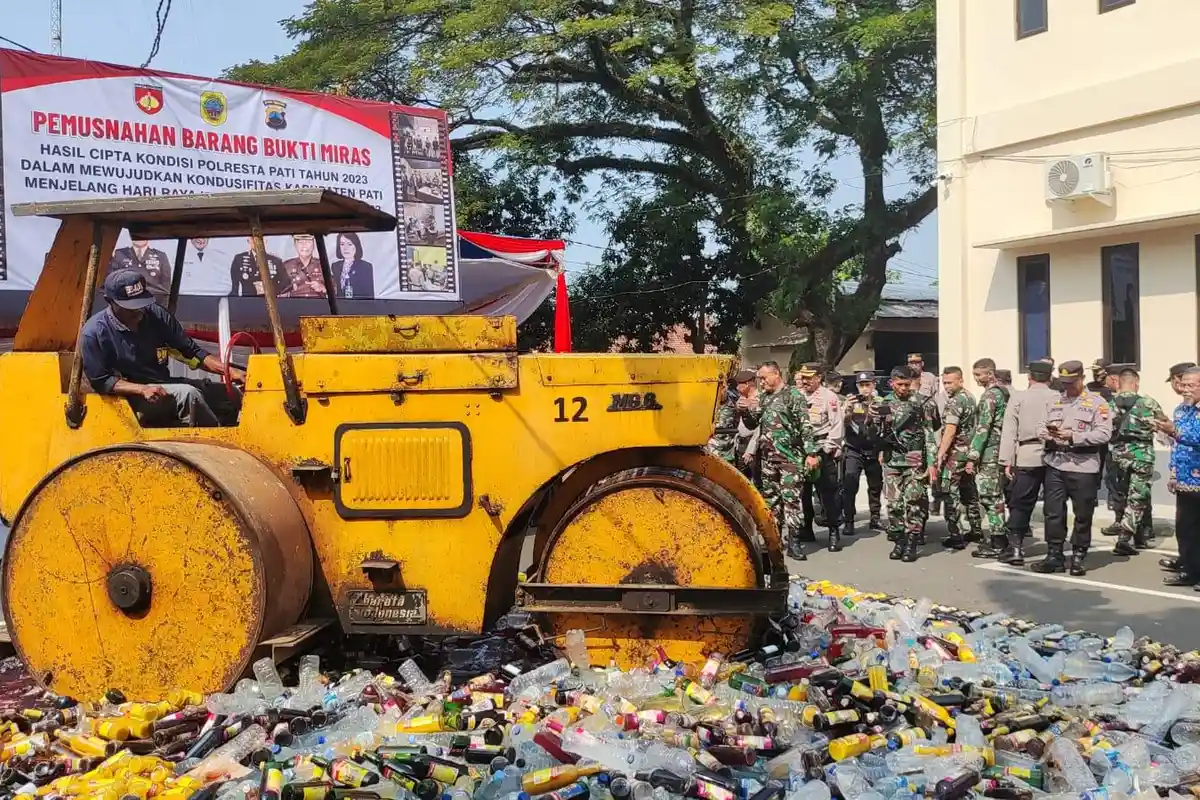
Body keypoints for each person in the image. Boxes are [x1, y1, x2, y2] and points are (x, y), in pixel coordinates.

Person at [81, 270, 244, 427]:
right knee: (188, 395)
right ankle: (215, 446)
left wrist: (229, 372)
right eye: (129, 307)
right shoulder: (94, 332)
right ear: (109, 301)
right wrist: (141, 389)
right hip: (128, 398)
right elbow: (101, 381)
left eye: (141, 303)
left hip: (164, 384)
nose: (138, 310)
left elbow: (192, 352)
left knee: (230, 395)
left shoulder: (156, 315)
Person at [1031, 360, 1113, 576]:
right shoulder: (1054, 401)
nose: (1067, 387)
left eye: (1071, 382)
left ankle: (1078, 555)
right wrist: (1049, 433)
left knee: (1083, 513)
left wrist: (1074, 436)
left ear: (1081, 378)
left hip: (1083, 466)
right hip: (1056, 462)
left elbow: (1104, 433)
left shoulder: (1097, 403)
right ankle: (1054, 554)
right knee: (1053, 512)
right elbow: (1040, 426)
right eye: (1064, 382)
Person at [748, 362, 821, 560]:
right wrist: (746, 409)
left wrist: (811, 453)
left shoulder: (793, 396)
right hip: (768, 459)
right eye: (759, 379)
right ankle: (775, 542)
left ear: (776, 374)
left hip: (790, 458)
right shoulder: (764, 397)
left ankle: (795, 542)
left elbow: (805, 426)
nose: (762, 383)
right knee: (771, 501)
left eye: (764, 378)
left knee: (792, 501)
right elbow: (752, 423)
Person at [996, 360, 1057, 565]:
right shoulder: (1058, 397)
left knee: (1020, 503)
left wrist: (1006, 460)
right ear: (1050, 378)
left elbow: (1009, 431)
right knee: (1054, 506)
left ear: (1030, 377)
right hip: (1054, 455)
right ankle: (1054, 550)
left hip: (1026, 454)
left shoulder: (1019, 397)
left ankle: (1015, 548)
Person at [1106, 365, 1168, 560]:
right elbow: (1164, 425)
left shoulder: (1109, 404)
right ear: (1136, 383)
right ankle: (1125, 537)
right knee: (1139, 496)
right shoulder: (1148, 403)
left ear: (1120, 382)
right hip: (1142, 456)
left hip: (1118, 456)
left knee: (1125, 495)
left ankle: (1139, 535)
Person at [876, 365, 937, 562]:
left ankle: (912, 541)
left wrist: (931, 463)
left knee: (914, 501)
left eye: (907, 384)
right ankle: (899, 540)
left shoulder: (922, 403)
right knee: (894, 503)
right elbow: (878, 433)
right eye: (899, 384)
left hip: (914, 458)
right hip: (892, 459)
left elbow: (929, 434)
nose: (903, 388)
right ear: (892, 383)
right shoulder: (884, 403)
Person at [795, 362, 846, 551]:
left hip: (823, 448)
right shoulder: (797, 396)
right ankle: (806, 528)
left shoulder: (829, 397)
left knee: (828, 493)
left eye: (809, 378)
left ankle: (833, 531)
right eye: (803, 377)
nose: (805, 381)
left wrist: (829, 447)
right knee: (803, 493)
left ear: (818, 378)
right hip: (801, 451)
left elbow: (837, 425)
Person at [966, 358, 1011, 558]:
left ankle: (998, 541)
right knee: (995, 496)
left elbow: (983, 428)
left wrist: (972, 456)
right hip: (999, 449)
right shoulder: (1003, 392)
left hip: (990, 451)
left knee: (990, 497)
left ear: (990, 374)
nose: (976, 378)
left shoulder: (990, 396)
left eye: (979, 374)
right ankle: (998, 537)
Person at [933, 366, 981, 550]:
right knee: (969, 491)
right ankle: (976, 528)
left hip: (955, 454)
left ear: (960, 380)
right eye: (944, 383)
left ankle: (956, 534)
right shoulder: (970, 397)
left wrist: (941, 452)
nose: (947, 386)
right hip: (969, 452)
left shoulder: (956, 402)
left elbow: (950, 430)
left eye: (950, 382)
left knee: (949, 493)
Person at [1164, 367, 1200, 586]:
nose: (1184, 390)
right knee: (1186, 529)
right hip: (1185, 481)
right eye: (1183, 385)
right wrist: (1173, 473)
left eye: (1190, 385)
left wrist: (1174, 431)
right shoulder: (1181, 410)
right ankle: (1190, 570)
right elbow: (1176, 447)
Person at [840, 371, 885, 537]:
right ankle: (849, 520)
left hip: (873, 448)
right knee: (850, 483)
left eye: (868, 385)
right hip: (854, 448)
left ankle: (875, 517)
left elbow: (887, 425)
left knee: (875, 485)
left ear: (874, 385)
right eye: (862, 385)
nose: (865, 389)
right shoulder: (850, 402)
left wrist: (877, 416)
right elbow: (843, 424)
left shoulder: (880, 402)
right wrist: (847, 411)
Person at [708, 370, 760, 480]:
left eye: (722, 388)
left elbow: (757, 427)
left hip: (733, 450)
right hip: (716, 451)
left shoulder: (737, 402)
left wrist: (750, 450)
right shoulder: (708, 404)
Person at [108, 239, 173, 302]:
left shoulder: (161, 256)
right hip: (127, 302)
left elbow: (166, 288)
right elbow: (112, 282)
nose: (139, 237)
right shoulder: (119, 254)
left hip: (152, 303)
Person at [331, 232, 376, 299]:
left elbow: (369, 296)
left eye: (349, 244)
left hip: (358, 306)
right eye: (342, 244)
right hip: (339, 306)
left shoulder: (365, 267)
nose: (345, 248)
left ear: (356, 246)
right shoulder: (335, 266)